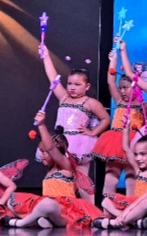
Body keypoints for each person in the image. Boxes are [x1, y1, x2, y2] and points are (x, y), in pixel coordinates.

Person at [1, 112, 102, 229]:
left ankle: (20, 223)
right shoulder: (50, 170)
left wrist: (41, 125)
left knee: (48, 204)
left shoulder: (66, 165)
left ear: (57, 152)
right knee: (13, 199)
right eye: (41, 151)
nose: (41, 155)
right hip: (50, 208)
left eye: (44, 152)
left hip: (65, 211)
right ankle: (45, 221)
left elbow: (50, 147)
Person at [39, 44, 110, 203]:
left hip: (79, 143)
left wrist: (93, 132)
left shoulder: (90, 102)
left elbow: (106, 118)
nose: (72, 87)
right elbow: (53, 78)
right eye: (70, 83)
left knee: (82, 176)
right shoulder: (64, 97)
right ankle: (58, 203)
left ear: (87, 86)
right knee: (57, 173)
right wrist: (46, 56)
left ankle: (90, 209)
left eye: (77, 85)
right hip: (61, 142)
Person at [90, 49, 144, 195]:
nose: (122, 91)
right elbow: (110, 81)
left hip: (132, 143)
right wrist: (113, 59)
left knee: (131, 177)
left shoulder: (143, 107)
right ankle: (107, 205)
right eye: (121, 88)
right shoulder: (120, 101)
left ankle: (130, 205)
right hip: (114, 142)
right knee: (110, 176)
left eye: (126, 88)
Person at [95, 123, 147, 229]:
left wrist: (127, 210)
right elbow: (126, 149)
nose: (138, 158)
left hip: (146, 207)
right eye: (136, 154)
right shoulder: (138, 169)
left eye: (143, 154)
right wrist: (126, 130)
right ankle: (133, 222)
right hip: (134, 204)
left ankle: (114, 223)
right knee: (106, 201)